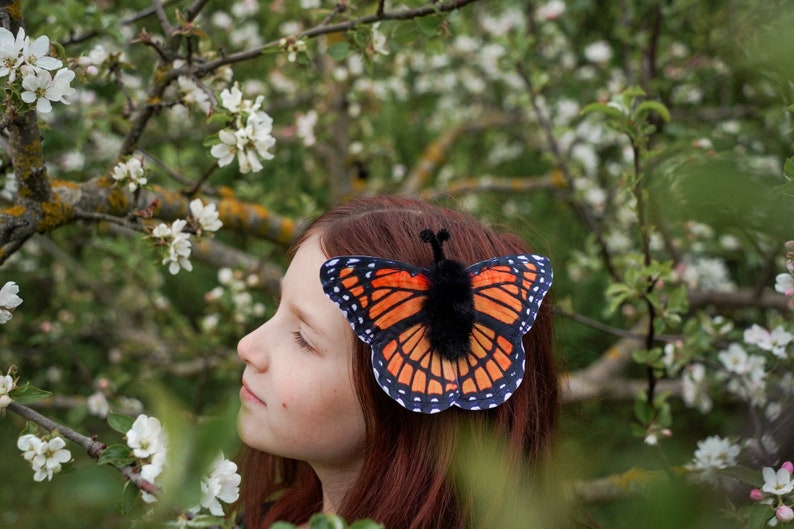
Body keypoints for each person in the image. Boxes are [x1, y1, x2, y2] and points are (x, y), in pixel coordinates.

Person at [236, 195, 560, 528]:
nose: (247, 346)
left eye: (303, 338)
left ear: (401, 391)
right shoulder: (264, 519)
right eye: (276, 305)